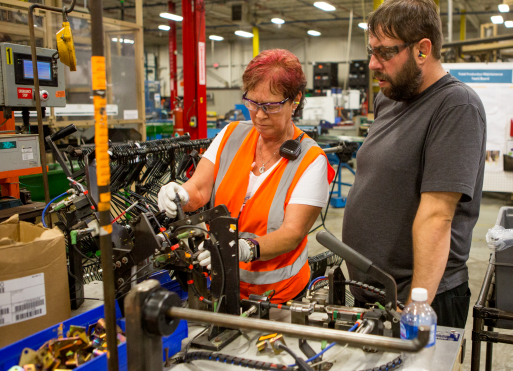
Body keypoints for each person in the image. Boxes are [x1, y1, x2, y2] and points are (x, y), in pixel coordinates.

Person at [342, 0, 486, 328]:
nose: (373, 64)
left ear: (422, 50)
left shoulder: (456, 106)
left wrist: (414, 310)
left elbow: (437, 216)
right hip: (372, 292)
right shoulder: (388, 99)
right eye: (371, 51)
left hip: (422, 299)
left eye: (385, 53)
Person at [158, 49, 333, 304]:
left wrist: (244, 248)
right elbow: (199, 190)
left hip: (278, 298)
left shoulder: (310, 160)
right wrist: (181, 193)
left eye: (271, 106)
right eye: (252, 103)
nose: (259, 115)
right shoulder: (230, 135)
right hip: (221, 287)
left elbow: (292, 233)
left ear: (295, 100)